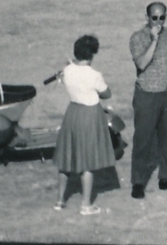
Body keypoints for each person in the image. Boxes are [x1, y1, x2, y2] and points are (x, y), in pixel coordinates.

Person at [128, 2, 167, 199]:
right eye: (155, 18)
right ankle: (138, 182)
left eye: (162, 17)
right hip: (147, 94)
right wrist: (153, 40)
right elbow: (142, 63)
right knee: (143, 140)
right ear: (147, 18)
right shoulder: (137, 38)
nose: (159, 22)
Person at [54, 34, 113, 215]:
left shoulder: (67, 70)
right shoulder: (94, 75)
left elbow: (65, 76)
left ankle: (60, 201)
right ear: (92, 54)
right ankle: (86, 205)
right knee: (87, 161)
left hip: (72, 113)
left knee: (66, 159)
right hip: (89, 115)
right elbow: (106, 94)